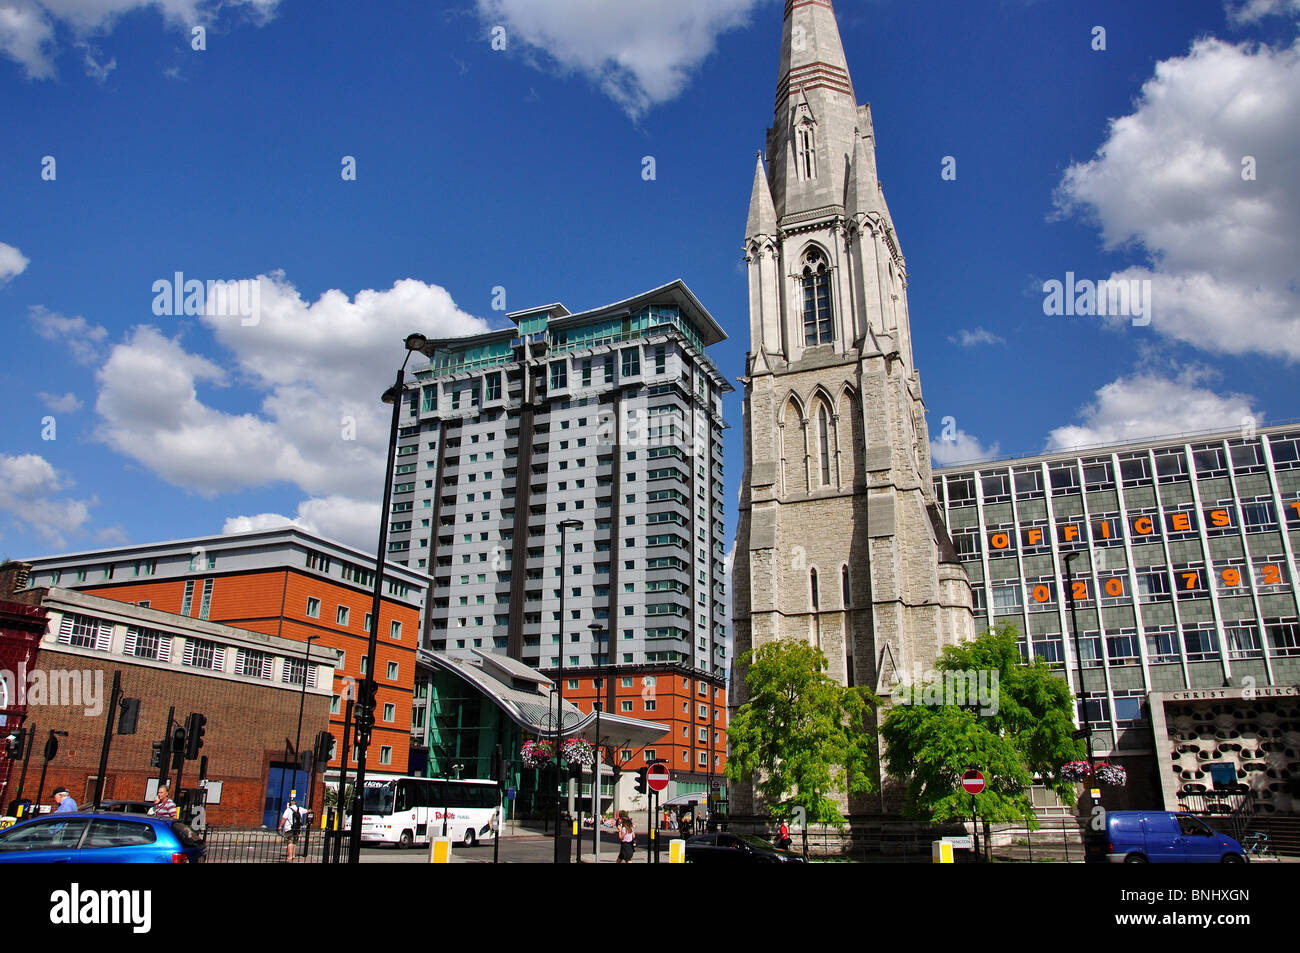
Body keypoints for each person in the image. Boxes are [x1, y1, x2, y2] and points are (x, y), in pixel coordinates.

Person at [281, 796, 306, 861]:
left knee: (289, 842)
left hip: (289, 828)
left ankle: (289, 856)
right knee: (294, 842)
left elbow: (284, 818)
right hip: (297, 828)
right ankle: (293, 855)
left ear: (289, 805)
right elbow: (307, 811)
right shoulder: (299, 809)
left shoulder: (288, 810)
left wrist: (280, 826)